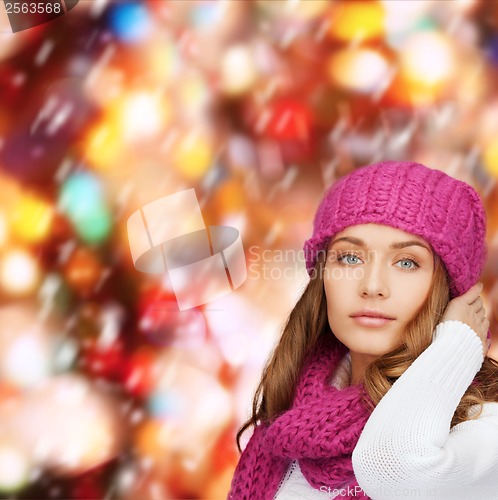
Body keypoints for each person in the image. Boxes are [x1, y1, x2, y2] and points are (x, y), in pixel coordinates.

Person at [227, 161, 498, 500]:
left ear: (451, 292)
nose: (372, 286)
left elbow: (396, 470)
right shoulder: (286, 425)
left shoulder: (484, 429)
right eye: (350, 258)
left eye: (407, 262)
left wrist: (456, 344)